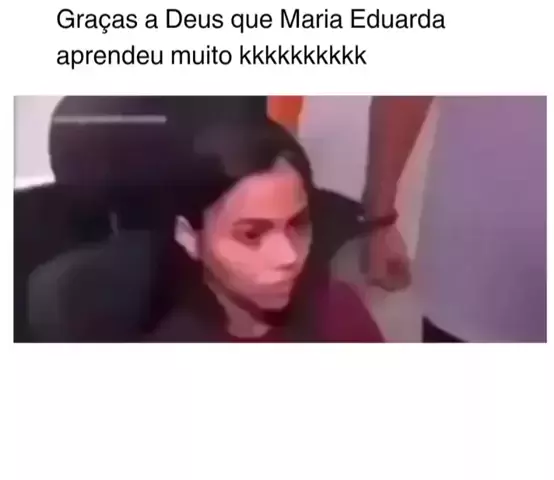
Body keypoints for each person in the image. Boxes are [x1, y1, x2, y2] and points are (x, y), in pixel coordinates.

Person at [146, 118, 384, 342]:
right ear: (189, 237)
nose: (289, 256)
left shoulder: (338, 313)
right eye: (252, 235)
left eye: (296, 224)